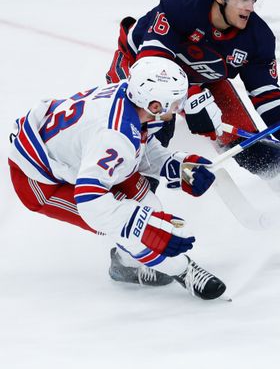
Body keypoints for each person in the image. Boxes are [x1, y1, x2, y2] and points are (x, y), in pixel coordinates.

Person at [105, 0, 280, 242]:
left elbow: (268, 96)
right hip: (140, 72)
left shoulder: (258, 38)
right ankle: (129, 243)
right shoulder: (184, 4)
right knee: (148, 143)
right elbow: (152, 62)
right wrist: (189, 99)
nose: (249, 8)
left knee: (258, 148)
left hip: (201, 81)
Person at [8, 57, 226, 300]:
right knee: (132, 225)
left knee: (150, 208)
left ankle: (125, 264)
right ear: (154, 106)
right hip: (40, 181)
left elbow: (139, 147)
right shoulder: (114, 135)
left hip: (80, 156)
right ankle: (183, 270)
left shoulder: (129, 98)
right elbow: (91, 202)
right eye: (175, 102)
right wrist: (140, 227)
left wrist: (177, 166)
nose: (179, 107)